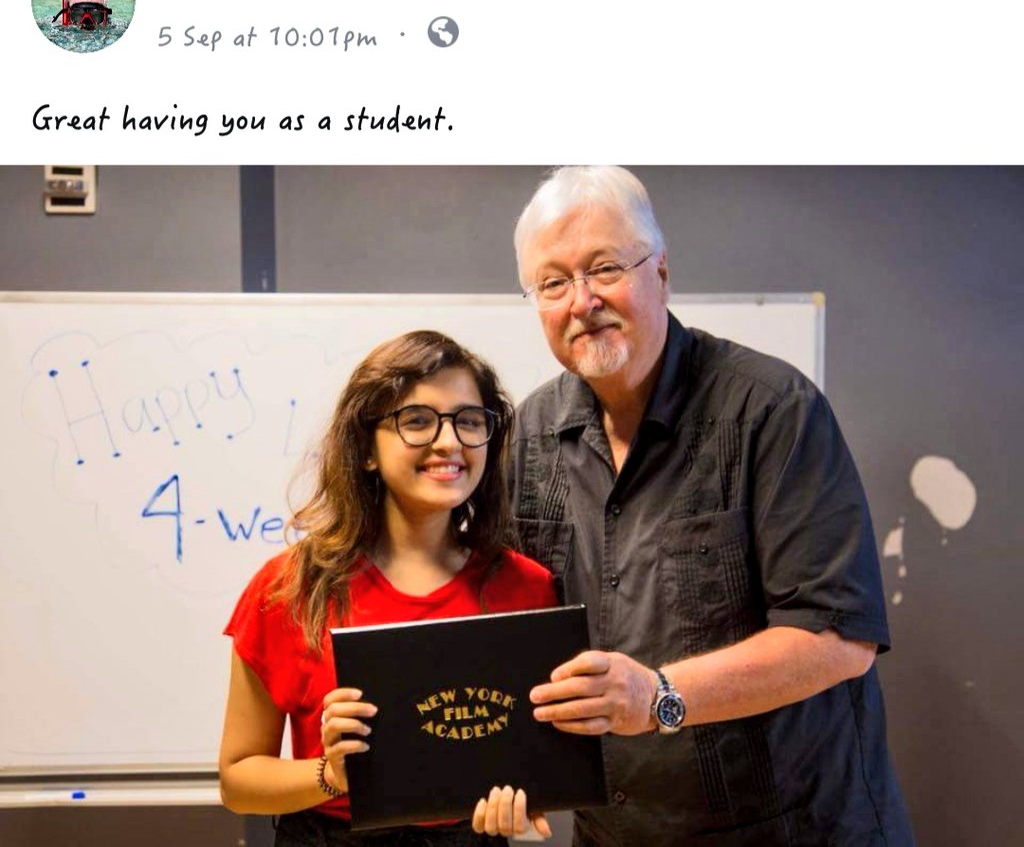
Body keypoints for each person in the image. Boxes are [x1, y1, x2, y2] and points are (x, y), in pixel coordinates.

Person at [492, 166, 915, 845]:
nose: (582, 301)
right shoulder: (530, 434)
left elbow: (839, 639)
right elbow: (509, 631)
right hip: (617, 831)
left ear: (660, 272)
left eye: (604, 269)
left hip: (791, 829)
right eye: (553, 283)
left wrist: (657, 695)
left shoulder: (772, 410)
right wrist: (499, 767)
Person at [219, 330, 558, 846]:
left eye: (469, 421)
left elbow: (535, 761)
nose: (449, 442)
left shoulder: (527, 588)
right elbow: (238, 780)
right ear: (366, 450)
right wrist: (330, 775)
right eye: (417, 420)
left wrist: (524, 800)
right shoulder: (289, 588)